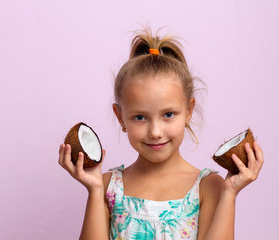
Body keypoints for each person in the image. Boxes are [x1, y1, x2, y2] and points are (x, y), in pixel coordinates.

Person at [58, 28, 264, 240]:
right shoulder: (107, 187)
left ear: (189, 111)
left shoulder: (208, 187)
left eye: (168, 114)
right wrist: (94, 190)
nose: (155, 132)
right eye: (140, 117)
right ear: (120, 117)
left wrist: (230, 194)